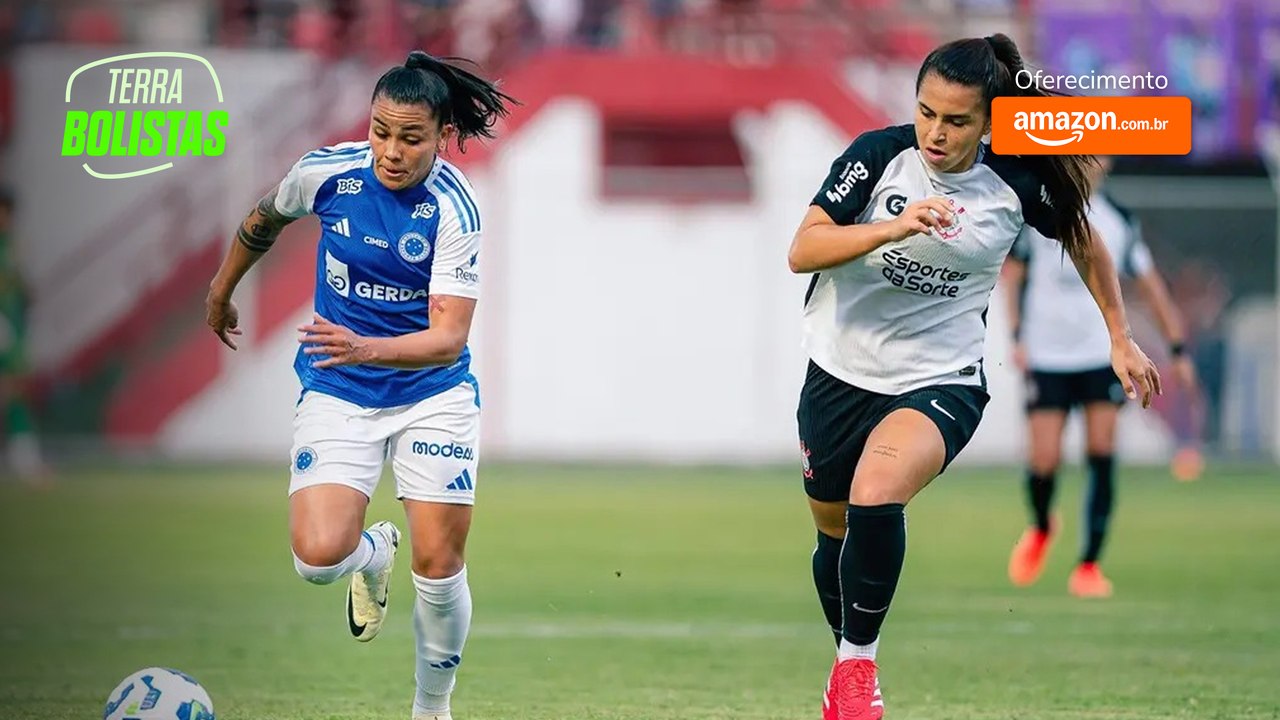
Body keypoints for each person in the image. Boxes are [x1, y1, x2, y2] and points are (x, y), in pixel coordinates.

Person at [787, 35, 1161, 720]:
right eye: (928, 112)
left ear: (990, 120)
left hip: (941, 377)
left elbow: (1082, 237)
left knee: (877, 494)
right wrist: (891, 228)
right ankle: (845, 667)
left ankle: (857, 674)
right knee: (833, 534)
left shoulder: (1015, 180)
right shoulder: (878, 156)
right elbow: (804, 249)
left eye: (957, 120)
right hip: (839, 371)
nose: (936, 131)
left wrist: (1120, 336)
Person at [205, 51, 514, 720]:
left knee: (438, 562)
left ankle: (432, 709)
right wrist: (222, 288)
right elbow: (264, 217)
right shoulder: (326, 173)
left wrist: (364, 345)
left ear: (439, 137)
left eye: (411, 137)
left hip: (432, 394)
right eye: (381, 131)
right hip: (339, 388)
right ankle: (374, 551)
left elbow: (449, 336)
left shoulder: (454, 208)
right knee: (317, 560)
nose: (391, 151)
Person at [1005, 156, 1199, 598]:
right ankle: (1040, 525)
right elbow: (1014, 274)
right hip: (1047, 353)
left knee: (1101, 448)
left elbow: (1151, 286)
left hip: (1102, 355)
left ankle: (1089, 564)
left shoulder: (1119, 221)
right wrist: (1016, 333)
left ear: (1104, 164)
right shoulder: (1040, 208)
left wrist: (1176, 347)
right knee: (1044, 460)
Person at [0, 187, 48, 483]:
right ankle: (23, 460)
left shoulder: (11, 246)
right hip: (4, 325)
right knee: (13, 389)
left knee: (17, 390)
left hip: (13, 326)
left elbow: (20, 288)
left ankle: (23, 458)